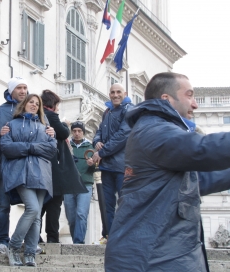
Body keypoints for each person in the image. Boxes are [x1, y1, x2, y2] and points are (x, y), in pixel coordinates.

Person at [105, 72, 230, 271]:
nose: (195, 104)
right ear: (167, 99)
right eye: (189, 95)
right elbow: (202, 148)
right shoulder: (154, 130)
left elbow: (197, 181)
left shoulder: (155, 131)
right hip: (150, 258)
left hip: (158, 256)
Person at [0, 77, 53, 254]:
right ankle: (2, 240)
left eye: (25, 87)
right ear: (11, 91)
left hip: (32, 168)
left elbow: (47, 134)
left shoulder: (38, 113)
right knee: (3, 204)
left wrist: (51, 131)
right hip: (6, 164)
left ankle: (30, 243)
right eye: (19, 88)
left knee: (33, 208)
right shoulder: (0, 111)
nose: (23, 91)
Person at [0, 94, 57, 267]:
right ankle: (14, 247)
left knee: (37, 215)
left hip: (41, 173)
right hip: (20, 173)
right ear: (24, 104)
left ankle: (31, 253)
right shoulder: (11, 125)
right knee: (32, 209)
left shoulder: (45, 127)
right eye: (31, 102)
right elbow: (7, 147)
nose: (33, 105)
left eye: (37, 103)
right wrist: (33, 148)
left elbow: (51, 149)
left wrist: (24, 148)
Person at [40, 90, 87, 243]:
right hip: (55, 170)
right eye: (57, 105)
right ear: (53, 105)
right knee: (53, 205)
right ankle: (52, 238)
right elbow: (64, 133)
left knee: (40, 204)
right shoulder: (52, 117)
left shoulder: (39, 117)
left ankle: (35, 235)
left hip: (43, 168)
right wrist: (64, 124)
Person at [91, 83, 133, 242]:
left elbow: (122, 136)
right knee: (106, 203)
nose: (115, 95)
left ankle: (126, 237)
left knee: (125, 202)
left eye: (118, 92)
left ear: (125, 93)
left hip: (123, 166)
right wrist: (96, 142)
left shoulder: (129, 110)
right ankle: (108, 235)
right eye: (112, 92)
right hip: (107, 166)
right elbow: (99, 131)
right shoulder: (107, 111)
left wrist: (102, 151)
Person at [64, 121, 96, 244]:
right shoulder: (67, 146)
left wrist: (92, 164)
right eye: (74, 131)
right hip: (69, 185)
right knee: (71, 218)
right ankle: (75, 239)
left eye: (79, 131)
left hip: (85, 184)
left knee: (81, 214)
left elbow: (96, 167)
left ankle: (78, 242)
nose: (77, 133)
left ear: (83, 132)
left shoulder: (90, 146)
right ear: (72, 132)